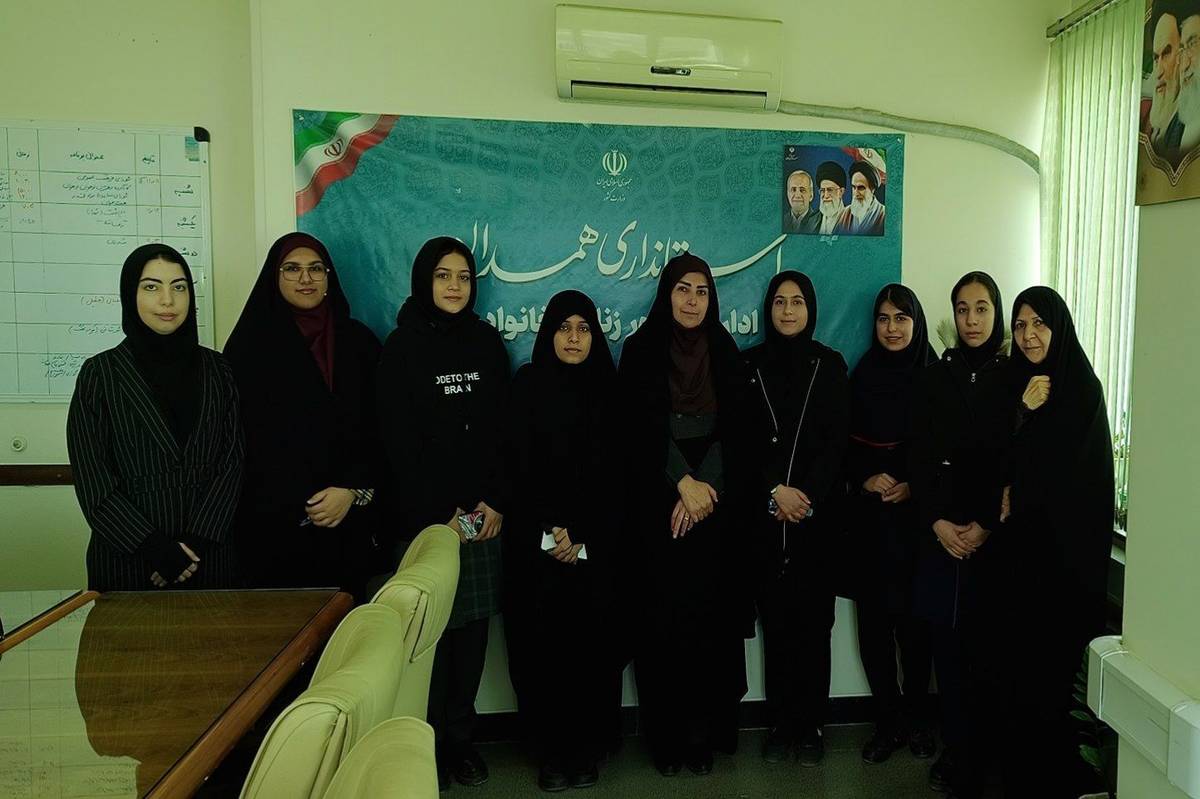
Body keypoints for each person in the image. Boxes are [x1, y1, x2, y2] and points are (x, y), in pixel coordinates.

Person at [376, 236, 510, 791]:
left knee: (471, 640)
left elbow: (504, 431)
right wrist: (439, 517)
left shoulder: (486, 343)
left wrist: (494, 499)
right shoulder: (401, 348)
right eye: (443, 276)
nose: (454, 286)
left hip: (481, 520)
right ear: (423, 281)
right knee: (426, 641)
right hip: (425, 525)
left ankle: (460, 743)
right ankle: (423, 747)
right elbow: (396, 445)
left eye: (463, 277)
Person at [618, 253, 751, 778]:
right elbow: (636, 432)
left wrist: (704, 488)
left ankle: (703, 735)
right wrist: (683, 482)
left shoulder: (725, 350)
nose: (692, 301)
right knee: (663, 626)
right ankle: (666, 738)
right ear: (666, 295)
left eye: (701, 291)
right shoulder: (639, 351)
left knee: (708, 626)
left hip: (715, 510)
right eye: (683, 289)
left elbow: (738, 432)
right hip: (659, 506)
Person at [67, 243, 243, 591]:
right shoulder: (99, 374)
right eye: (151, 287)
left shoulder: (218, 368)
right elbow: (93, 481)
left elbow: (232, 462)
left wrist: (192, 546)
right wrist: (155, 549)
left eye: (179, 287)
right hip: (129, 563)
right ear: (129, 295)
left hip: (209, 559)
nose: (168, 300)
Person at [503, 290, 622, 793]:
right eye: (563, 327)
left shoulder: (611, 391)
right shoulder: (527, 387)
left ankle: (586, 750)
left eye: (584, 328)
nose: (574, 338)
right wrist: (550, 533)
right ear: (548, 333)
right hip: (538, 551)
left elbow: (619, 478)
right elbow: (516, 470)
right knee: (542, 654)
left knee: (590, 652)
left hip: (596, 553)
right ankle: (550, 752)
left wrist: (583, 536)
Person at [223, 232, 383, 598]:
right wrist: (301, 500)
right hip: (274, 531)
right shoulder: (248, 347)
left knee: (347, 630)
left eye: (316, 269)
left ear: (329, 277)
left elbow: (381, 427)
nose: (306, 278)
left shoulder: (360, 342)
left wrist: (352, 489)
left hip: (348, 525)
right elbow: (239, 440)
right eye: (292, 269)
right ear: (274, 277)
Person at [908, 271, 1015, 798]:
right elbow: (918, 455)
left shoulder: (1015, 377)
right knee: (946, 656)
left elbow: (1017, 460)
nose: (971, 320)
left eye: (982, 309)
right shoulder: (936, 375)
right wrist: (936, 521)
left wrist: (988, 527)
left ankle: (987, 757)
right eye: (963, 309)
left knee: (989, 655)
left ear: (997, 313)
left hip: (994, 542)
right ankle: (955, 751)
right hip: (941, 537)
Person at [1004, 286, 1115, 798]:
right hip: (1021, 562)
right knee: (1022, 671)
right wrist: (1021, 412)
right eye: (1020, 325)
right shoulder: (1016, 384)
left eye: (1039, 324)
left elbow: (1073, 480)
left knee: (1059, 675)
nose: (1028, 335)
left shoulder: (1083, 391)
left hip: (1067, 567)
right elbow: (994, 456)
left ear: (1059, 327)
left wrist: (1020, 489)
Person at [742, 271, 849, 768]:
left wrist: (805, 498)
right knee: (778, 626)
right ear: (769, 309)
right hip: (765, 523)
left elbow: (836, 442)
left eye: (798, 302)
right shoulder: (748, 366)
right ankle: (781, 724)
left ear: (811, 309)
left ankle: (812, 727)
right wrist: (774, 492)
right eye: (780, 302)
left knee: (814, 627)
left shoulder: (830, 365)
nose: (788, 311)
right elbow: (742, 442)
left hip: (815, 522)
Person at [844, 284, 937, 764]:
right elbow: (842, 445)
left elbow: (949, 451)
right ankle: (887, 724)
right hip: (871, 528)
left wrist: (914, 485)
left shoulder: (936, 378)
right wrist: (866, 477)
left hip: (919, 529)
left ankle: (919, 721)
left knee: (916, 632)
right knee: (875, 632)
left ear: (916, 324)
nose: (892, 328)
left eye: (902, 318)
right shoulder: (861, 374)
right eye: (884, 318)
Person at [843, 161, 886, 236]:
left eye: (861, 188)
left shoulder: (884, 215)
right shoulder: (845, 214)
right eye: (853, 187)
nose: (856, 193)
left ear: (872, 189)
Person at [814, 161, 851, 236]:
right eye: (822, 190)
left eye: (830, 190)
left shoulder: (852, 220)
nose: (826, 195)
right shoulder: (812, 220)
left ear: (841, 192)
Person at [782, 169, 821, 234]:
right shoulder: (780, 221)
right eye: (793, 190)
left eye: (802, 190)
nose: (797, 195)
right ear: (787, 193)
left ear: (811, 195)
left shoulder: (820, 224)